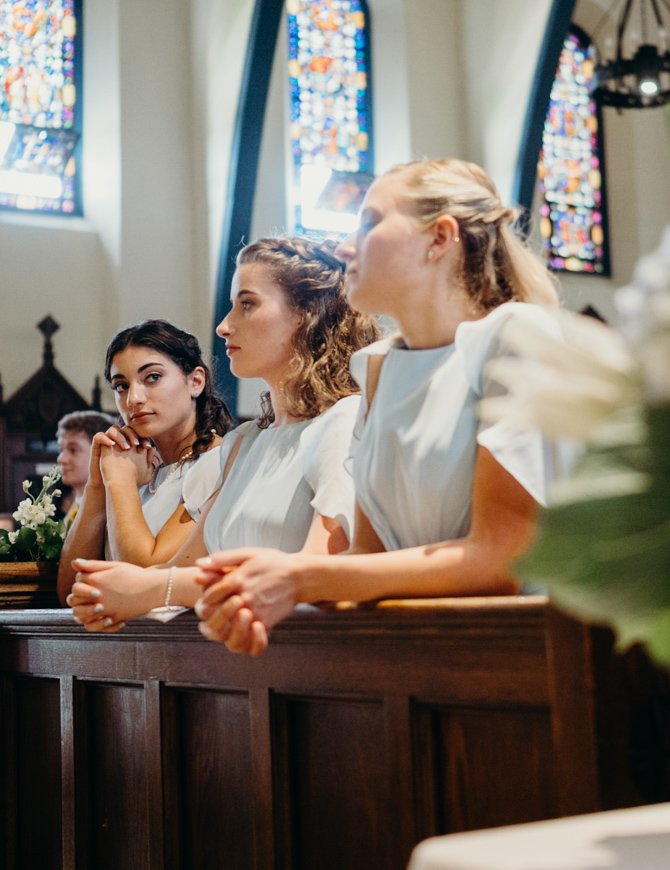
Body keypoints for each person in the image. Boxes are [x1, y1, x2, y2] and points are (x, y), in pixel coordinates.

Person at [194, 159, 566, 656]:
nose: (346, 247)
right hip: (404, 653)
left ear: (439, 238)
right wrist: (253, 593)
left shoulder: (514, 337)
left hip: (515, 652)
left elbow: (499, 560)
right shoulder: (377, 369)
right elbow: (368, 556)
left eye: (369, 223)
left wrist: (301, 577)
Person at [65, 237, 380, 630]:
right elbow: (186, 566)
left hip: (303, 652)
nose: (224, 325)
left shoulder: (345, 422)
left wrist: (149, 589)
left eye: (246, 304)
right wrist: (119, 590)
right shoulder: (243, 443)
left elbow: (317, 571)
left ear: (305, 313)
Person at [55, 321, 234, 601]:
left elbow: (144, 579)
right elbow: (69, 590)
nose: (133, 399)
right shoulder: (133, 466)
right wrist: (97, 486)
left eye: (152, 377)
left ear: (196, 381)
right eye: (121, 386)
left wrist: (121, 482)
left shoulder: (221, 461)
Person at [54, 409, 119, 526]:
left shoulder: (110, 513)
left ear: (101, 453)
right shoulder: (74, 506)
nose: (61, 459)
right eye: (61, 449)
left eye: (73, 450)